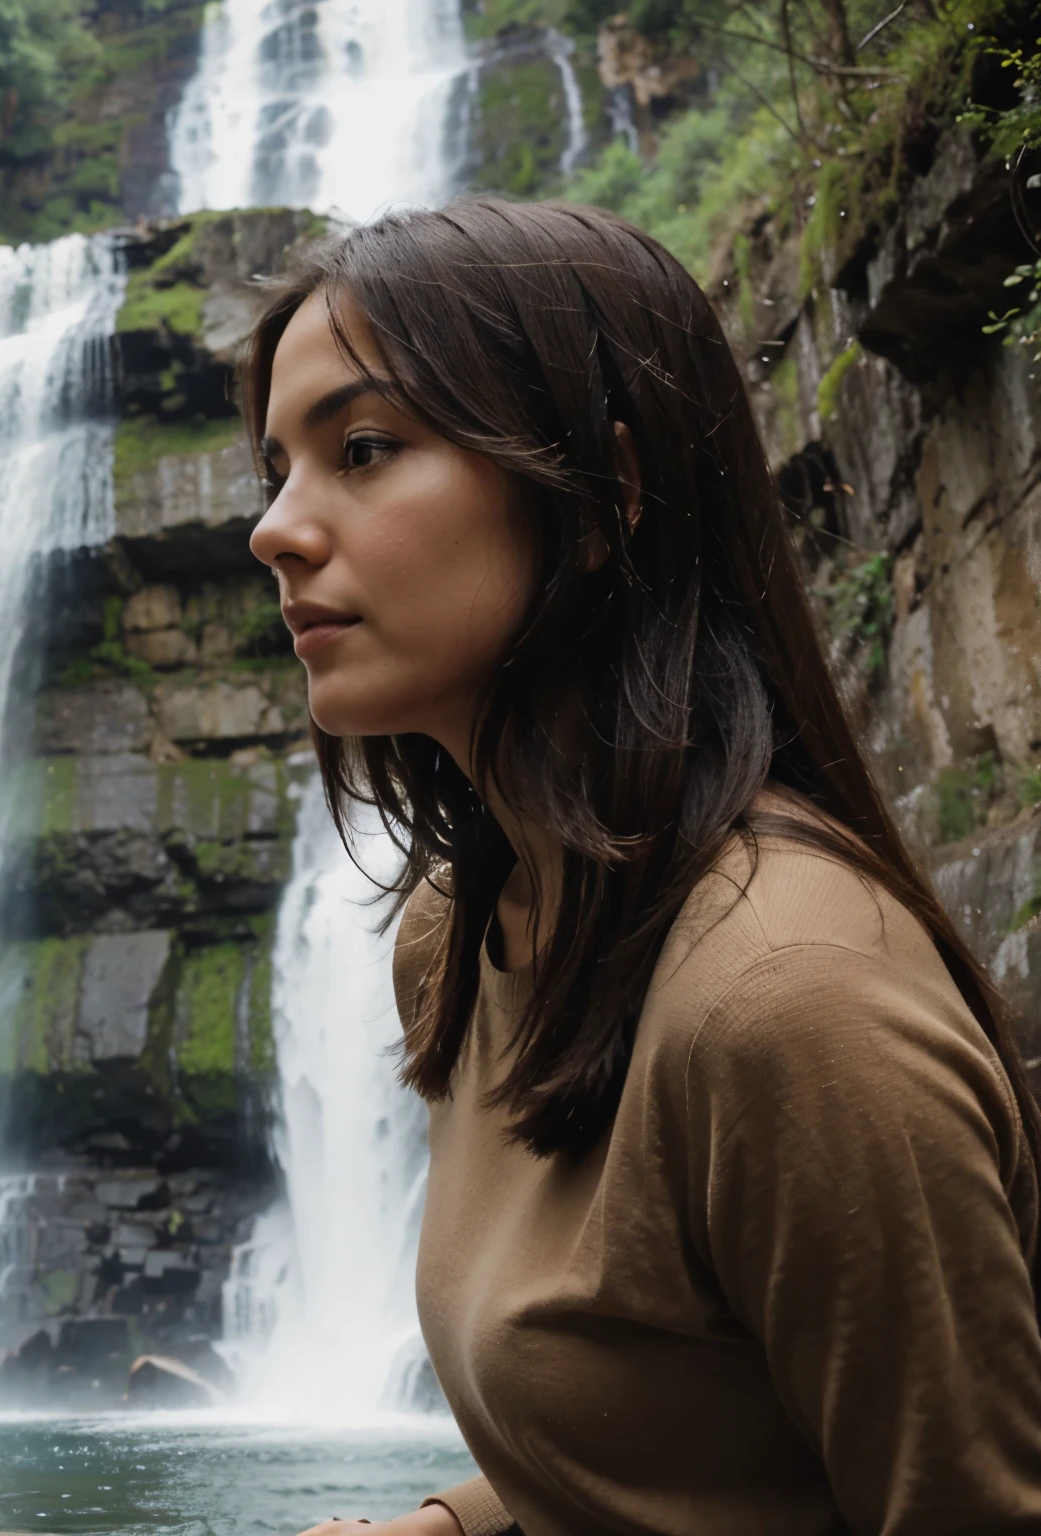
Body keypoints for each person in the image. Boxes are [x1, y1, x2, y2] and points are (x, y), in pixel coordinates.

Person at [245, 198, 1041, 1534]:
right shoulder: (466, 934)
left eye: (364, 450)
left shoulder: (788, 1003)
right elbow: (681, 1436)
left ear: (609, 496)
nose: (275, 528)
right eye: (276, 468)